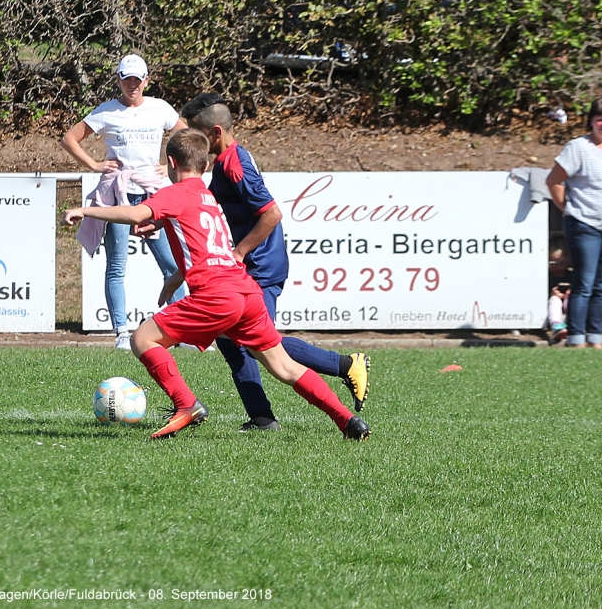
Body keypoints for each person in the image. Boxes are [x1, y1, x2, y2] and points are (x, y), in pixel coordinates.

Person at [63, 129, 371, 441]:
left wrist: (84, 210)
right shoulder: (209, 198)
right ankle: (348, 421)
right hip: (246, 291)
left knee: (142, 339)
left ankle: (186, 404)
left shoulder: (175, 193)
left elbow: (134, 213)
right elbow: (204, 245)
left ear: (171, 162)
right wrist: (173, 264)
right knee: (285, 367)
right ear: (206, 165)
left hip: (216, 295)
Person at [178, 93, 370, 432]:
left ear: (215, 132)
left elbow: (271, 214)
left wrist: (239, 253)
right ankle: (262, 418)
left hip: (259, 266)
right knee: (231, 340)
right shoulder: (227, 160)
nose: (193, 140)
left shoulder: (234, 165)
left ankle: (344, 364)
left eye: (196, 132)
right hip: (254, 265)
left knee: (261, 343)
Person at [60, 54, 186, 350]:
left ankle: (181, 331)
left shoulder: (160, 108)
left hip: (152, 193)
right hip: (118, 193)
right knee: (117, 265)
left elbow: (186, 135)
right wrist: (94, 164)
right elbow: (69, 139)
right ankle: (121, 332)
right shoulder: (106, 111)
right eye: (127, 79)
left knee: (171, 264)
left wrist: (170, 164)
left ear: (146, 81)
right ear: (118, 80)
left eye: (137, 80)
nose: (132, 85)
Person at [546, 97, 602, 348]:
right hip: (584, 225)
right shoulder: (578, 148)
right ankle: (576, 337)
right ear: (591, 121)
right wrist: (567, 209)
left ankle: (595, 337)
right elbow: (553, 181)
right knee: (584, 283)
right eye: (599, 119)